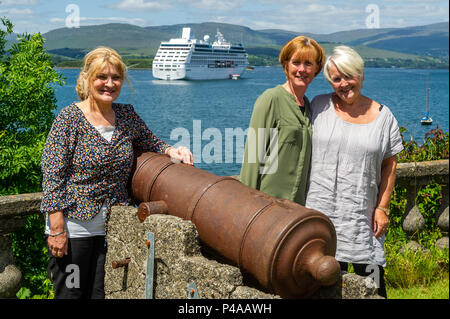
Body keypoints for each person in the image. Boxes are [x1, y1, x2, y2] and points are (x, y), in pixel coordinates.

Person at [40, 46, 193, 299]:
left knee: (101, 295)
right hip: (73, 228)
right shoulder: (69, 119)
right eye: (102, 77)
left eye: (116, 78)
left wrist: (173, 151)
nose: (109, 84)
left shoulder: (126, 115)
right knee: (72, 293)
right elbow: (53, 175)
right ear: (88, 78)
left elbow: (151, 142)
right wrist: (57, 230)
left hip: (111, 229)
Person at [305, 46, 404, 298]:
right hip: (320, 214)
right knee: (319, 287)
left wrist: (382, 208)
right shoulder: (318, 106)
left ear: (360, 75)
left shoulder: (384, 117)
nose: (344, 84)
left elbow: (389, 165)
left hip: (362, 219)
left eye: (349, 76)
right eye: (336, 79)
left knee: (371, 288)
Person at [240, 36, 325, 205]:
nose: (302, 69)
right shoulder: (271, 99)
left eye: (308, 64)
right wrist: (245, 205)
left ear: (317, 69)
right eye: (296, 62)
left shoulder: (308, 106)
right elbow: (253, 156)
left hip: (295, 207)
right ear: (286, 65)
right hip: (266, 203)